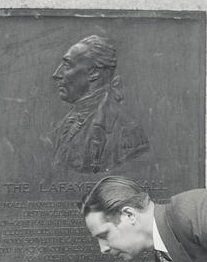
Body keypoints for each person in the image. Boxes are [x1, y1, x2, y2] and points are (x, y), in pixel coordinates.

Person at [51, 35, 149, 173]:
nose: (56, 74)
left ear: (94, 72)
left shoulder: (126, 132)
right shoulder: (66, 124)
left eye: (67, 65)